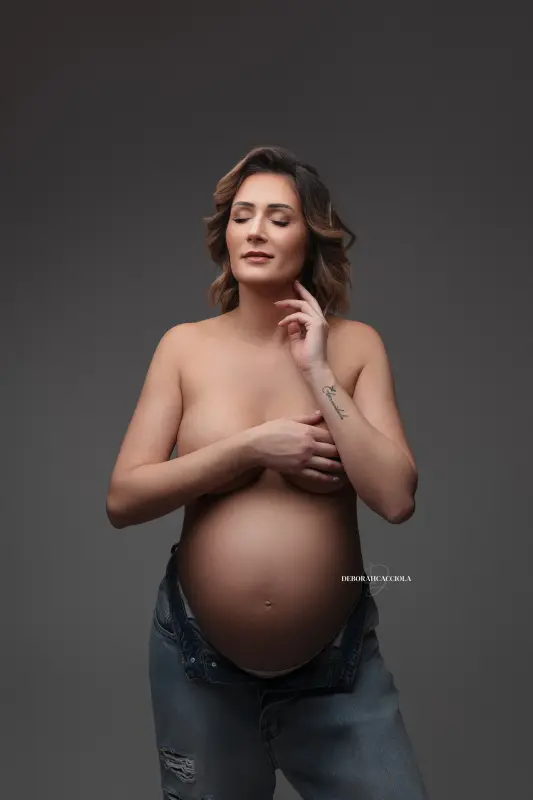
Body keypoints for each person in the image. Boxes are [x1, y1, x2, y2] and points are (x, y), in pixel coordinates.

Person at [106, 145, 430, 799]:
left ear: (310, 234)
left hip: (334, 666)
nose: (254, 231)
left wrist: (316, 369)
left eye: (278, 217)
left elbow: (394, 498)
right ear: (223, 233)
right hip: (198, 660)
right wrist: (251, 448)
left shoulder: (355, 345)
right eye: (241, 215)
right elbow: (124, 498)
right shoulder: (184, 347)